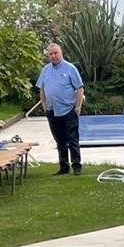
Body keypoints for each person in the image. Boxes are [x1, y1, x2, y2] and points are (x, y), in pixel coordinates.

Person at [36, 43, 85, 175]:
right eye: (50, 54)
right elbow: (42, 90)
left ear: (61, 52)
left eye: (55, 53)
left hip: (68, 110)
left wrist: (78, 107)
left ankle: (77, 166)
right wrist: (45, 107)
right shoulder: (45, 70)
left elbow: (79, 88)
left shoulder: (70, 68)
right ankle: (63, 167)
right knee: (60, 141)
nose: (53, 56)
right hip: (52, 111)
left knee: (73, 139)